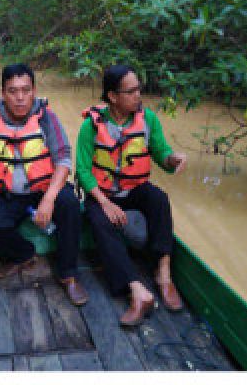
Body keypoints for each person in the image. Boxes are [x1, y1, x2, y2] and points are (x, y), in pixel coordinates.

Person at [75, 65, 188, 326]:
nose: (139, 95)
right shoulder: (90, 126)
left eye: (139, 89)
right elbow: (82, 170)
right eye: (131, 91)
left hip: (134, 188)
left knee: (158, 199)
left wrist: (174, 159)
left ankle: (163, 273)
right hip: (101, 193)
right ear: (113, 96)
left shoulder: (148, 120)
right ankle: (137, 289)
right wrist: (104, 203)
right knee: (99, 220)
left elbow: (162, 154)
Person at [0, 63, 87, 305]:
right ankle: (23, 255)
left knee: (70, 206)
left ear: (34, 90)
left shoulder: (47, 118)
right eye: (13, 91)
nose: (20, 97)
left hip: (45, 188)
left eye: (26, 90)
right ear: (3, 93)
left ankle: (69, 274)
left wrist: (48, 199)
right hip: (9, 194)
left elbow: (64, 160)